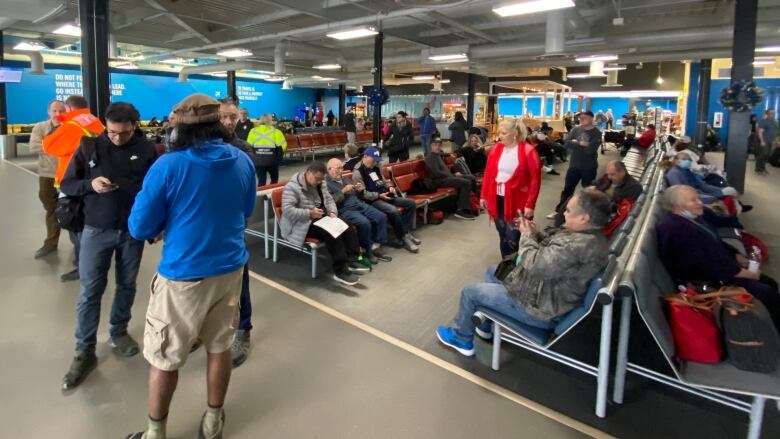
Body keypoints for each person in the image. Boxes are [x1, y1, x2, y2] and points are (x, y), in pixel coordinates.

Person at [125, 94, 256, 439]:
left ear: (179, 130)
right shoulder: (243, 161)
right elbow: (245, 212)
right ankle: (213, 421)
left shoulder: (169, 166)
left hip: (183, 276)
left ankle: (156, 432)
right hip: (230, 270)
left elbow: (139, 227)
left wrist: (167, 223)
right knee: (219, 346)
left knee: (164, 357)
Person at [435, 188, 611, 356]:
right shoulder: (589, 238)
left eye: (569, 210)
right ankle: (485, 325)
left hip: (539, 309)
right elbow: (555, 254)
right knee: (494, 271)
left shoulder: (577, 245)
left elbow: (535, 264)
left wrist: (526, 235)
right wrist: (536, 234)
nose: (564, 213)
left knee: (470, 292)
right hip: (548, 295)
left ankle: (461, 339)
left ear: (583, 218)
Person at [59, 102, 157, 390]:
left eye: (123, 133)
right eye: (112, 132)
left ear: (135, 127)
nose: (116, 137)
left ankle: (119, 331)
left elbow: (155, 190)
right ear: (105, 125)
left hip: (131, 231)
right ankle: (84, 350)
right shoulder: (90, 147)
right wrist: (91, 184)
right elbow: (68, 184)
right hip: (95, 230)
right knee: (90, 290)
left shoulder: (148, 150)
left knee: (127, 284)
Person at [657, 185, 780, 330]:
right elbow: (709, 264)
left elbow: (715, 242)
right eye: (693, 200)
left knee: (769, 283)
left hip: (722, 270)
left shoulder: (693, 219)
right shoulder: (676, 230)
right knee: (767, 292)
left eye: (698, 198)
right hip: (710, 282)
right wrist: (746, 273)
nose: (700, 202)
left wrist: (737, 255)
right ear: (676, 206)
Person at [43, 95, 105, 282]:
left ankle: (82, 267)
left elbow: (49, 146)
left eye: (63, 110)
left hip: (72, 181)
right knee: (88, 224)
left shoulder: (71, 126)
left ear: (69, 108)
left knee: (75, 226)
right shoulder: (95, 121)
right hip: (93, 179)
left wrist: (59, 123)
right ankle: (93, 262)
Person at [218, 99, 257, 368]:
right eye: (224, 117)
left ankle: (243, 330)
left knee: (239, 279)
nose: (229, 122)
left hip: (232, 226)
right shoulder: (196, 148)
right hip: (204, 227)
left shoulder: (243, 151)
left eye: (233, 117)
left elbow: (247, 196)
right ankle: (206, 328)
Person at [280, 162, 366, 285]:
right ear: (308, 173)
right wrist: (309, 213)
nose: (319, 182)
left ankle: (352, 258)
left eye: (321, 179)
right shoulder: (292, 187)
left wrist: (332, 212)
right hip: (301, 223)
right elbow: (287, 211)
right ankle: (340, 270)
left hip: (320, 215)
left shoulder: (321, 182)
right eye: (317, 179)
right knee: (332, 233)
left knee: (346, 225)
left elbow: (329, 199)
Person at [480, 118, 542, 257]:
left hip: (518, 201)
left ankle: (516, 268)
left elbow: (535, 180)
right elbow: (489, 173)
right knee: (503, 235)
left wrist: (530, 204)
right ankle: (506, 264)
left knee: (514, 237)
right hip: (497, 198)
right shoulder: (496, 149)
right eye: (499, 132)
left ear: (515, 133)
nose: (500, 136)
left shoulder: (528, 151)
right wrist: (483, 195)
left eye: (504, 133)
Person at [352, 147, 421, 253]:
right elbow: (363, 194)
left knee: (411, 203)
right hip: (373, 200)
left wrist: (390, 187)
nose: (375, 162)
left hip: (385, 195)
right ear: (365, 157)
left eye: (376, 159)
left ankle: (405, 232)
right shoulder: (358, 172)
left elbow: (383, 181)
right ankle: (402, 237)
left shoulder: (376, 166)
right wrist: (379, 195)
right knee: (393, 210)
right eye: (373, 159)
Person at [326, 158, 392, 265]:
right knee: (364, 223)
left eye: (341, 168)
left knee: (380, 216)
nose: (341, 170)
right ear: (329, 169)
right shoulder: (326, 184)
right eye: (338, 168)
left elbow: (357, 194)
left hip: (359, 204)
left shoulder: (345, 179)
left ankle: (376, 245)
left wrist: (359, 189)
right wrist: (342, 191)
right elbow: (330, 202)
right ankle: (367, 249)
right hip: (345, 209)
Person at [547, 111, 602, 219]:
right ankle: (559, 211)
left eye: (584, 118)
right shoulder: (576, 129)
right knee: (567, 190)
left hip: (589, 167)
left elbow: (590, 150)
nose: (581, 120)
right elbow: (566, 143)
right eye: (580, 118)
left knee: (588, 192)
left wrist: (575, 143)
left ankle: (587, 215)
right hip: (574, 166)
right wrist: (580, 143)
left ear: (591, 119)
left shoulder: (597, 133)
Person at [30, 99, 66, 259]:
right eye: (55, 111)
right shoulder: (40, 127)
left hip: (67, 175)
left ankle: (79, 246)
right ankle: (51, 243)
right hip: (47, 174)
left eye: (61, 111)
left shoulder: (70, 128)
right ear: (49, 112)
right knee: (50, 207)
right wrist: (60, 145)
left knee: (72, 209)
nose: (58, 114)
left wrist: (48, 144)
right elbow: (34, 146)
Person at [425, 138, 476, 220]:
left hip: (447, 178)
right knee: (466, 182)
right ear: (430, 146)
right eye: (435, 145)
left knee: (471, 178)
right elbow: (436, 172)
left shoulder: (437, 155)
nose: (437, 147)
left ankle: (473, 204)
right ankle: (461, 209)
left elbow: (444, 155)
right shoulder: (430, 158)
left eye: (439, 145)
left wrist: (453, 173)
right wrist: (451, 175)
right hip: (440, 181)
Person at [665, 152, 739, 205]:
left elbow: (702, 185)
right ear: (676, 161)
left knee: (728, 191)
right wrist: (711, 197)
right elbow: (683, 194)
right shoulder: (674, 174)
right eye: (684, 159)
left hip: (700, 195)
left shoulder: (686, 171)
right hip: (693, 200)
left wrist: (720, 191)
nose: (687, 161)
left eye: (688, 159)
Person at [247, 114, 288, 186]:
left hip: (258, 161)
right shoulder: (276, 132)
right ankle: (271, 195)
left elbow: (248, 146)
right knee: (274, 180)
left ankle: (261, 196)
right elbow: (283, 146)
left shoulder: (253, 131)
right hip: (272, 161)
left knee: (261, 181)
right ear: (270, 121)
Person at [757, 109, 778, 175]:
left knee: (767, 155)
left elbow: (775, 132)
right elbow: (760, 132)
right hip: (765, 141)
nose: (773, 114)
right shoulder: (763, 121)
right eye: (771, 113)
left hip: (771, 142)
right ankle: (758, 169)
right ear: (767, 113)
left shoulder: (774, 121)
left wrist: (776, 141)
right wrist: (762, 141)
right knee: (762, 155)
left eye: (774, 113)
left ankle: (763, 168)